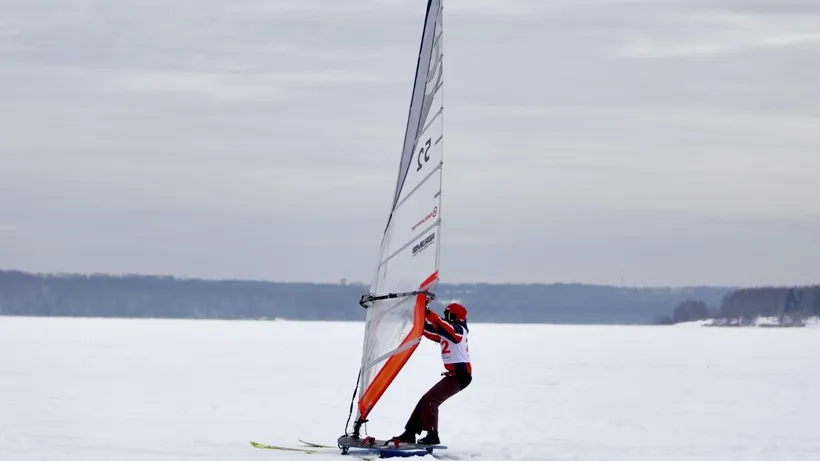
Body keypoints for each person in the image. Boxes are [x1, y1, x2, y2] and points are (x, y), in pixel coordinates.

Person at [391, 301, 471, 445]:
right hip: (452, 376)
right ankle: (409, 433)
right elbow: (427, 330)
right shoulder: (446, 332)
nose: (445, 317)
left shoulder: (460, 331)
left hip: (460, 377)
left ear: (454, 316)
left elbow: (445, 326)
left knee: (431, 401)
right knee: (425, 400)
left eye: (447, 314)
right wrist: (416, 315)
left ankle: (433, 435)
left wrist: (428, 312)